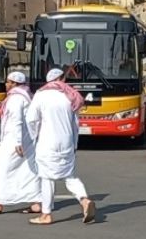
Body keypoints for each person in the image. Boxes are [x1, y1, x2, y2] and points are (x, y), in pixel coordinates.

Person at [25, 67, 96, 226]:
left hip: (47, 142)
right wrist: (74, 144)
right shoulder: (71, 95)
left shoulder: (41, 95)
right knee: (69, 175)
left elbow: (31, 119)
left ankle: (46, 214)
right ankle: (84, 200)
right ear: (62, 79)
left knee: (46, 177)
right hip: (67, 142)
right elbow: (75, 123)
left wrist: (34, 135)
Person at [0, 71, 42, 215]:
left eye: (8, 82)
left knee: (1, 169)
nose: (6, 84)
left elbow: (16, 120)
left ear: (15, 84)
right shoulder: (26, 96)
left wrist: (17, 141)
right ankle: (35, 203)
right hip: (27, 139)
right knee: (28, 170)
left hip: (14, 140)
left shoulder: (15, 98)